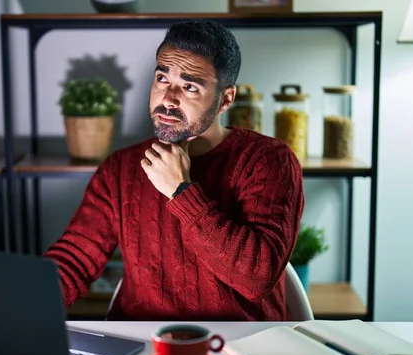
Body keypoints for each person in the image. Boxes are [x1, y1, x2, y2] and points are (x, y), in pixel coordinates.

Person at [44, 19, 304, 321]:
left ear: (225, 99)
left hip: (241, 347)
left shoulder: (268, 161)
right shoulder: (121, 168)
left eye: (190, 86)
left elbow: (257, 279)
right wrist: (19, 309)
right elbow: (73, 261)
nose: (167, 99)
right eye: (162, 79)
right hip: (144, 347)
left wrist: (182, 192)